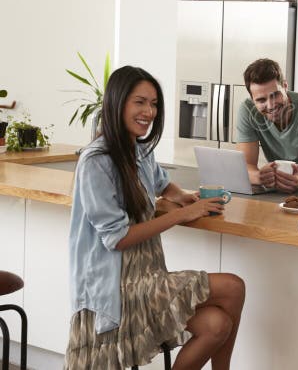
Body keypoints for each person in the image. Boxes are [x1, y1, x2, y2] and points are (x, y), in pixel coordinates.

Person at [65, 66, 245, 370]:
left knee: (216, 325)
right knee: (233, 287)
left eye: (154, 103)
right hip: (117, 287)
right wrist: (184, 214)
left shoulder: (139, 150)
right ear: (117, 102)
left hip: (148, 275)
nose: (149, 111)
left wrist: (181, 196)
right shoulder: (96, 161)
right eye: (140, 102)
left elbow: (161, 182)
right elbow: (117, 238)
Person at [235, 58, 298, 193]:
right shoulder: (247, 110)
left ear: (285, 86)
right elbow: (245, 166)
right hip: (283, 189)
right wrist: (260, 177)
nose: (271, 105)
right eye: (261, 100)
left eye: (275, 95)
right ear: (252, 99)